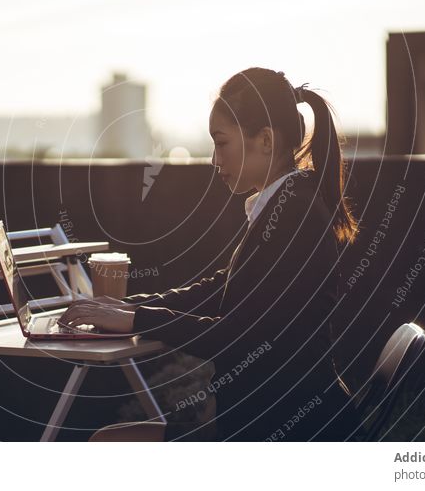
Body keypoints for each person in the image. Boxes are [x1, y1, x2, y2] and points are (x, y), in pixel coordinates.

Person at [59, 67, 361, 441]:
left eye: (222, 143)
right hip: (277, 417)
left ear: (265, 140)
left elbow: (240, 335)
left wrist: (139, 320)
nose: (215, 161)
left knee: (106, 444)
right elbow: (225, 289)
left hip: (281, 428)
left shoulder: (292, 212)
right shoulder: (289, 200)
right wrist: (134, 309)